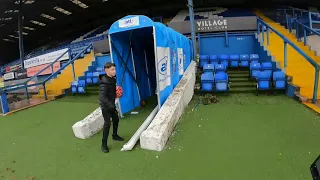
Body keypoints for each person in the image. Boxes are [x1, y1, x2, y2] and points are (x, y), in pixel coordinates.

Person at [99, 62, 124, 153]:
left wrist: (117, 93)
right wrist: (111, 106)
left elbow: (111, 91)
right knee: (107, 124)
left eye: (115, 69)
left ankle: (114, 135)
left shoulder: (113, 79)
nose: (114, 71)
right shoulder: (104, 82)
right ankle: (103, 144)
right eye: (112, 69)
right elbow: (102, 97)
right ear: (106, 70)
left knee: (116, 119)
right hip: (105, 106)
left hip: (111, 104)